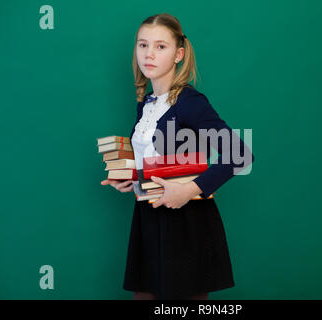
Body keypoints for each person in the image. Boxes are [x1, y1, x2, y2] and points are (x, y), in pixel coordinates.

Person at [101, 13, 254, 300]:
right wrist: (131, 178)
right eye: (143, 45)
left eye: (161, 47)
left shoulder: (190, 102)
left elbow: (240, 154)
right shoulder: (145, 104)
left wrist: (188, 191)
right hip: (148, 218)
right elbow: (158, 159)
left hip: (185, 223)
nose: (149, 54)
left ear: (178, 54)